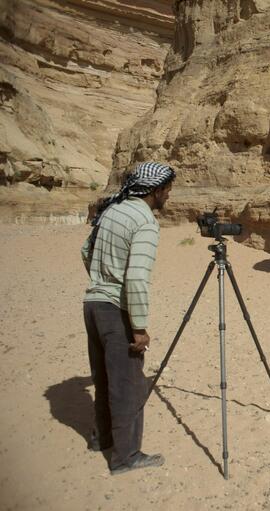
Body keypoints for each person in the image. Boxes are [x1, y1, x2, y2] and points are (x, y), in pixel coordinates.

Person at [81, 161, 175, 475]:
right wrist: (139, 329)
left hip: (93, 304)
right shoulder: (144, 220)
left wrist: (101, 281)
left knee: (104, 379)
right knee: (129, 385)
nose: (169, 195)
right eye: (167, 189)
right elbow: (135, 279)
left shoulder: (112, 211)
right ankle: (125, 457)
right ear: (157, 190)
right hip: (116, 310)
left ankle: (101, 438)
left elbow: (86, 251)